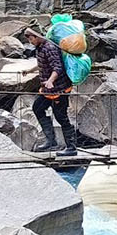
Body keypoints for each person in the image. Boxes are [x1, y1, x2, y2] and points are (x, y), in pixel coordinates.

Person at [24, 28, 78, 156]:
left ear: (37, 36)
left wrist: (50, 80)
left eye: (30, 39)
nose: (30, 42)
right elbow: (43, 63)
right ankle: (51, 141)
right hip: (48, 89)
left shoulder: (50, 48)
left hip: (60, 88)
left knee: (61, 116)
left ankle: (71, 147)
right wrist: (30, 70)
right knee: (37, 108)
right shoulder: (40, 47)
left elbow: (57, 67)